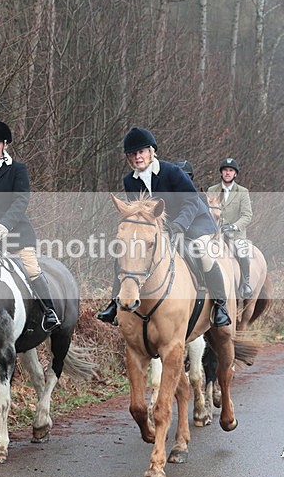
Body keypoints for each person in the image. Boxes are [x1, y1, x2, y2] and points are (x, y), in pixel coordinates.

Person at [96, 127, 231, 327]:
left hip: (193, 221)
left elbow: (191, 202)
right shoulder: (129, 180)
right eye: (133, 154)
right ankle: (115, 302)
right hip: (159, 227)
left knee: (202, 253)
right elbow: (139, 211)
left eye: (141, 152)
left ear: (151, 152)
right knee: (127, 254)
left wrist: (178, 225)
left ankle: (220, 305)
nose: (137, 157)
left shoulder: (172, 171)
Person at [0, 120, 61, 332]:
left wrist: (5, 224)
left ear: (5, 144)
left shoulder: (18, 169)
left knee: (31, 268)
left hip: (17, 232)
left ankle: (49, 311)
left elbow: (21, 200)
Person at [206, 158, 253, 299]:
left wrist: (234, 226)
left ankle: (246, 283)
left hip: (235, 234)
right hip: (215, 232)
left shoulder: (243, 192)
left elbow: (247, 215)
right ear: (221, 173)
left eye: (231, 170)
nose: (228, 173)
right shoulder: (211, 190)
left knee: (242, 251)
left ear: (235, 174)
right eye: (225, 170)